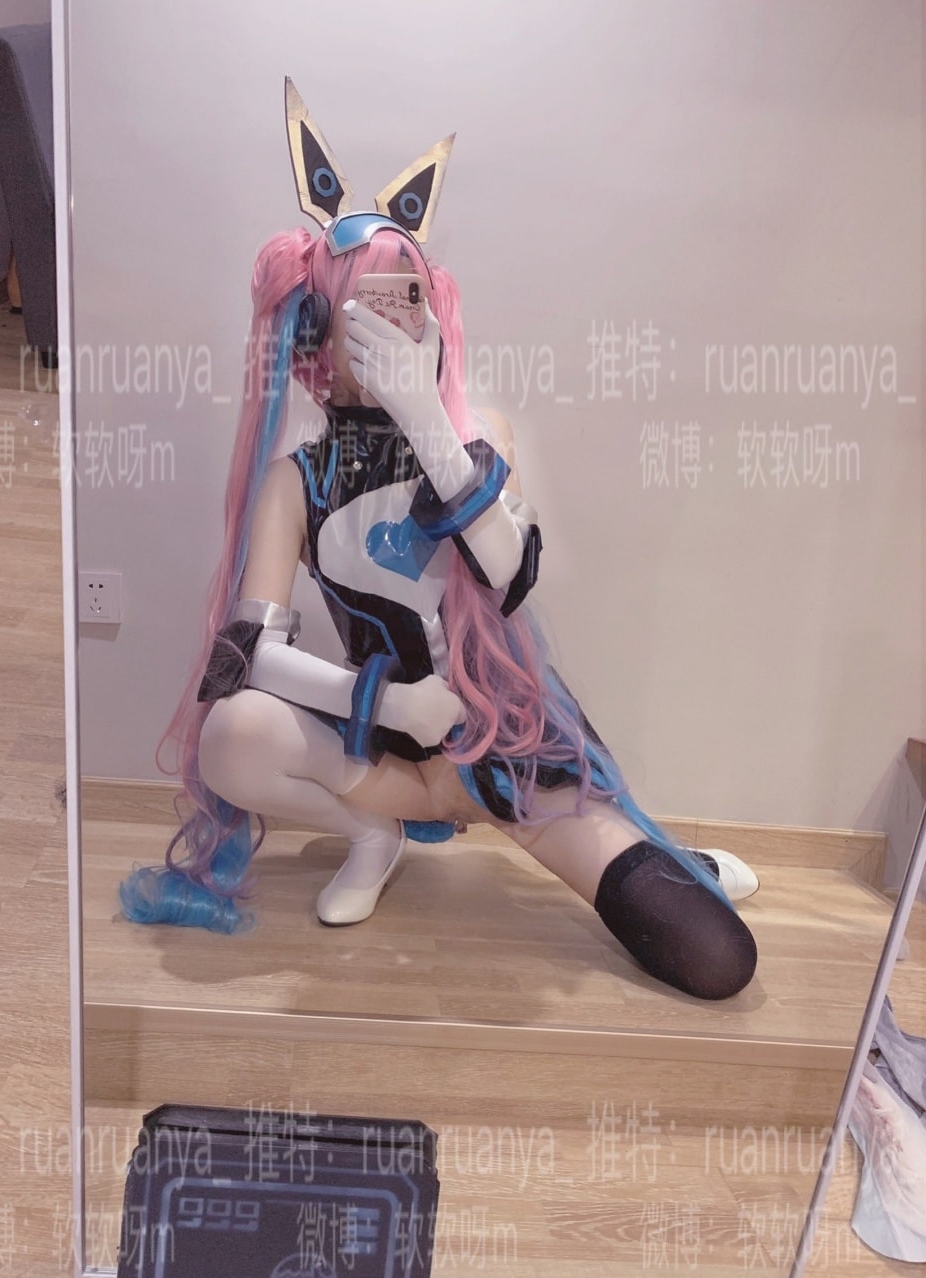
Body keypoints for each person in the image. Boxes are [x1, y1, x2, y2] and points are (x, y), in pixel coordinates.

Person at [120, 82, 758, 1002]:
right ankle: (372, 839)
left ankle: (661, 854)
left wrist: (427, 420)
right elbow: (246, 657)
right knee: (231, 735)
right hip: (384, 758)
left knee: (713, 957)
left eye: (406, 301)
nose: (390, 324)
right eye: (364, 306)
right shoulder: (298, 478)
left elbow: (510, 577)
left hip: (508, 747)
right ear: (317, 329)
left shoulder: (474, 437)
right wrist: (387, 702)